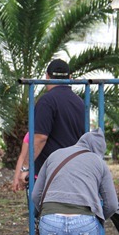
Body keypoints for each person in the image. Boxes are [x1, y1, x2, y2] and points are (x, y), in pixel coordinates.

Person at [18, 59, 85, 188]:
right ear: (70, 77)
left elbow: (40, 138)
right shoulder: (80, 102)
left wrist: (25, 168)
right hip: (75, 170)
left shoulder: (46, 101)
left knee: (45, 208)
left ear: (47, 76)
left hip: (51, 173)